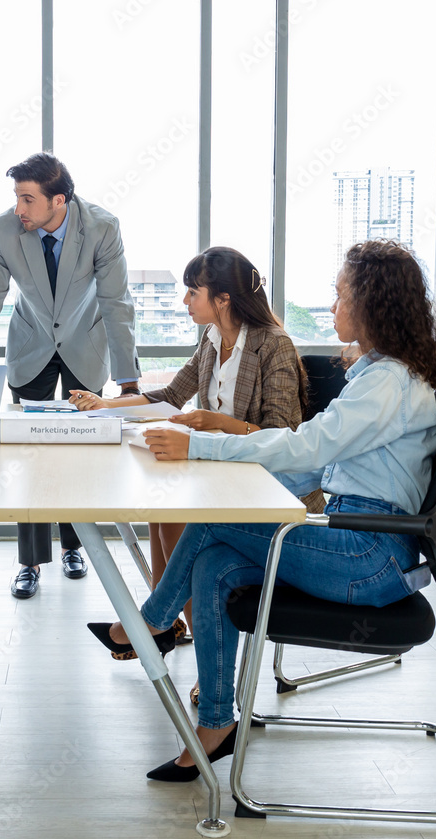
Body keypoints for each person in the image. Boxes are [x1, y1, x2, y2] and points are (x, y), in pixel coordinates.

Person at [88, 239, 436, 781]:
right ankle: (215, 723)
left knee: (215, 523)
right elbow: (316, 467)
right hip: (354, 536)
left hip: (372, 553)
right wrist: (229, 471)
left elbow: (304, 447)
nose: (332, 309)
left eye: (339, 296)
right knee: (214, 566)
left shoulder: (389, 384)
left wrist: (205, 448)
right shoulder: (379, 377)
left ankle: (152, 622)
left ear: (372, 304)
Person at [71, 247, 325, 704]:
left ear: (223, 299)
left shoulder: (273, 345)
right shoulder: (210, 338)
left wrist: (218, 424)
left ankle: (167, 627)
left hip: (267, 475)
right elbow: (170, 395)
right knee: (161, 506)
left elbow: (283, 434)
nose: (185, 302)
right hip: (222, 462)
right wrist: (104, 402)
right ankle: (167, 623)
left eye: (192, 292)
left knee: (177, 513)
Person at [0, 152, 141, 599]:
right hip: (31, 346)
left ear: (58, 199)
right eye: (17, 198)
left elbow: (117, 303)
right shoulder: (3, 229)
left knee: (78, 453)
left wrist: (129, 380)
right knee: (29, 456)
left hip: (86, 346)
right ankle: (30, 562)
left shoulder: (102, 227)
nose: (19, 209)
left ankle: (73, 545)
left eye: (27, 199)